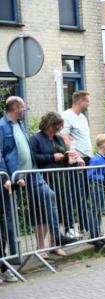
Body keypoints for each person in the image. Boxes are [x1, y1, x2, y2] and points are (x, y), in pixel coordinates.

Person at [0, 97, 76, 281]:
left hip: (30, 173)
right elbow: (2, 152)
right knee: (9, 218)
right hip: (13, 176)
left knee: (49, 195)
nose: (25, 109)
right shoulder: (2, 126)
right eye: (23, 107)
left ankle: (57, 237)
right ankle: (13, 256)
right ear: (16, 108)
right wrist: (4, 174)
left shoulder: (20, 124)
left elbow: (24, 150)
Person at [30, 112, 80, 257]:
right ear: (47, 124)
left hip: (59, 179)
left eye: (59, 126)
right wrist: (51, 157)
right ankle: (40, 248)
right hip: (43, 179)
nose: (57, 129)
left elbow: (64, 155)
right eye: (55, 126)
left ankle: (55, 244)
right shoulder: (36, 139)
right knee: (41, 214)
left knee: (56, 211)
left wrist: (69, 158)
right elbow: (33, 158)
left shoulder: (58, 139)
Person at [60, 90, 92, 239]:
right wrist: (75, 156)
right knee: (72, 195)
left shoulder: (83, 117)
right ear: (80, 101)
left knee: (83, 194)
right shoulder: (67, 116)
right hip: (75, 161)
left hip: (86, 160)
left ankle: (84, 226)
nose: (89, 104)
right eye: (87, 101)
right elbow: (65, 137)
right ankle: (69, 227)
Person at [87, 134, 105, 252]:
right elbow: (90, 174)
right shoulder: (95, 159)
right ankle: (93, 234)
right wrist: (102, 179)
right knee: (95, 210)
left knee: (99, 211)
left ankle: (97, 232)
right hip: (98, 188)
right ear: (104, 145)